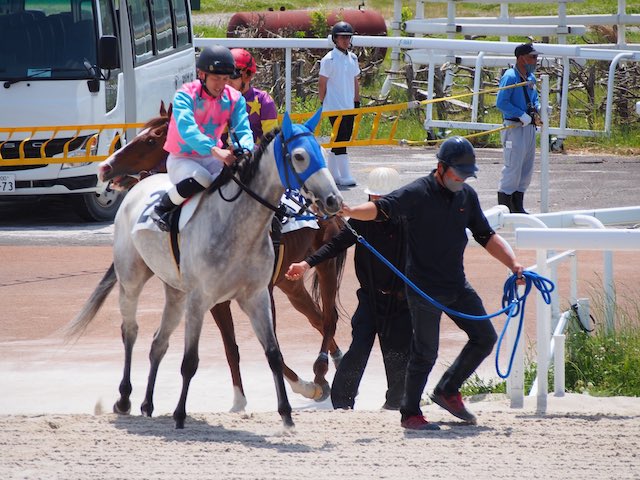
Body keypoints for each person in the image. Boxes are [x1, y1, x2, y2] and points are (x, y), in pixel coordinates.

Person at [340, 136, 525, 431]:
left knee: (485, 337)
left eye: (466, 174)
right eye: (457, 173)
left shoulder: (467, 196)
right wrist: (350, 212)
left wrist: (513, 264)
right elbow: (381, 208)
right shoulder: (418, 192)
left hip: (456, 284)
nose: (462, 179)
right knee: (426, 352)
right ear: (441, 167)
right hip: (422, 287)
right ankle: (410, 413)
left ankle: (447, 390)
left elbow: (486, 236)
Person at [285, 167, 412, 411]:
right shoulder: (359, 224)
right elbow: (335, 245)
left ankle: (394, 404)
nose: (377, 204)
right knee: (357, 350)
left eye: (382, 199)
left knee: (397, 354)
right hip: (370, 300)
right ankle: (342, 404)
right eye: (374, 199)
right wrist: (306, 263)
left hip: (400, 302)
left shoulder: (410, 222)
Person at [152, 45, 254, 231]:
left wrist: (245, 149)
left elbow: (242, 128)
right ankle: (162, 208)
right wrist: (215, 150)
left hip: (213, 158)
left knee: (240, 182)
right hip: (182, 158)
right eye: (215, 78)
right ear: (201, 74)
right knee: (203, 178)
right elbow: (187, 129)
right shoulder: (184, 95)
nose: (221, 84)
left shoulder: (235, 98)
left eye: (225, 79)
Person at [496, 43, 542, 214]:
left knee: (526, 167)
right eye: (533, 57)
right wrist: (519, 114)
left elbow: (534, 97)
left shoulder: (531, 77)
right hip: (514, 126)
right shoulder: (510, 77)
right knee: (513, 167)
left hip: (529, 126)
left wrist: (538, 108)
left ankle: (518, 206)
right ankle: (505, 207)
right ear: (522, 58)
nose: (535, 61)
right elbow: (501, 102)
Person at [319, 21, 361, 187]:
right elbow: (322, 82)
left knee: (342, 138)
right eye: (342, 37)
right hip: (334, 106)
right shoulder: (328, 59)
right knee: (341, 140)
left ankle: (331, 174)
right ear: (334, 38)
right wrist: (323, 101)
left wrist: (357, 100)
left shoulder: (353, 58)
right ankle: (345, 175)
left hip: (349, 105)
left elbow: (355, 80)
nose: (345, 40)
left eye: (348, 37)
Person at [227, 48, 279, 143]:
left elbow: (272, 142)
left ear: (248, 75)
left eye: (233, 74)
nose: (227, 81)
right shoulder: (219, 100)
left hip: (257, 155)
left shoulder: (264, 101)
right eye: (223, 74)